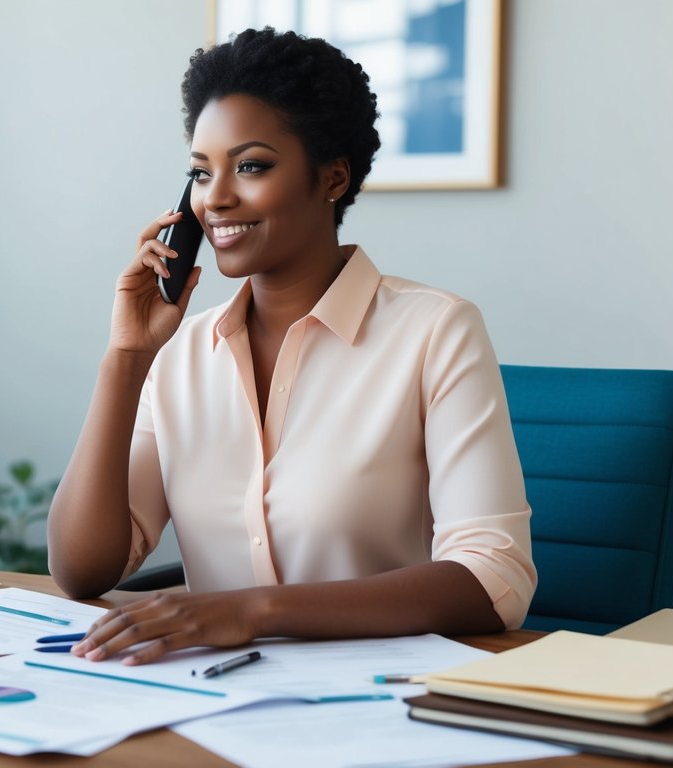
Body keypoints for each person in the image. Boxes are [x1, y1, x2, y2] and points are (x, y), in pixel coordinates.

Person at [47, 28, 535, 666]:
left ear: (333, 177)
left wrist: (253, 610)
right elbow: (82, 571)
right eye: (200, 172)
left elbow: (494, 577)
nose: (215, 197)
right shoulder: (183, 352)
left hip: (378, 699)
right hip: (210, 697)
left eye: (250, 166)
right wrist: (127, 358)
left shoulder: (435, 331)